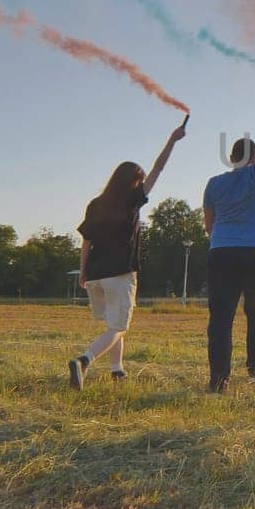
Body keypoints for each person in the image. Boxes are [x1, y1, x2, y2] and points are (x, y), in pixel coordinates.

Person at [69, 117, 189, 390]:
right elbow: (159, 168)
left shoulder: (96, 204)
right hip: (120, 274)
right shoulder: (132, 201)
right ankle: (84, 361)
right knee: (119, 327)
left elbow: (86, 241)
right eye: (141, 181)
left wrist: (84, 272)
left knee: (113, 323)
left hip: (96, 276)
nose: (143, 183)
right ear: (135, 182)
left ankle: (117, 370)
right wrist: (172, 140)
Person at [202, 73, 255, 394]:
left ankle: (219, 381)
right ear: (252, 157)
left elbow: (209, 225)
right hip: (253, 254)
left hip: (220, 253)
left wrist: (221, 242)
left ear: (231, 157)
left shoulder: (213, 184)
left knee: (220, 320)